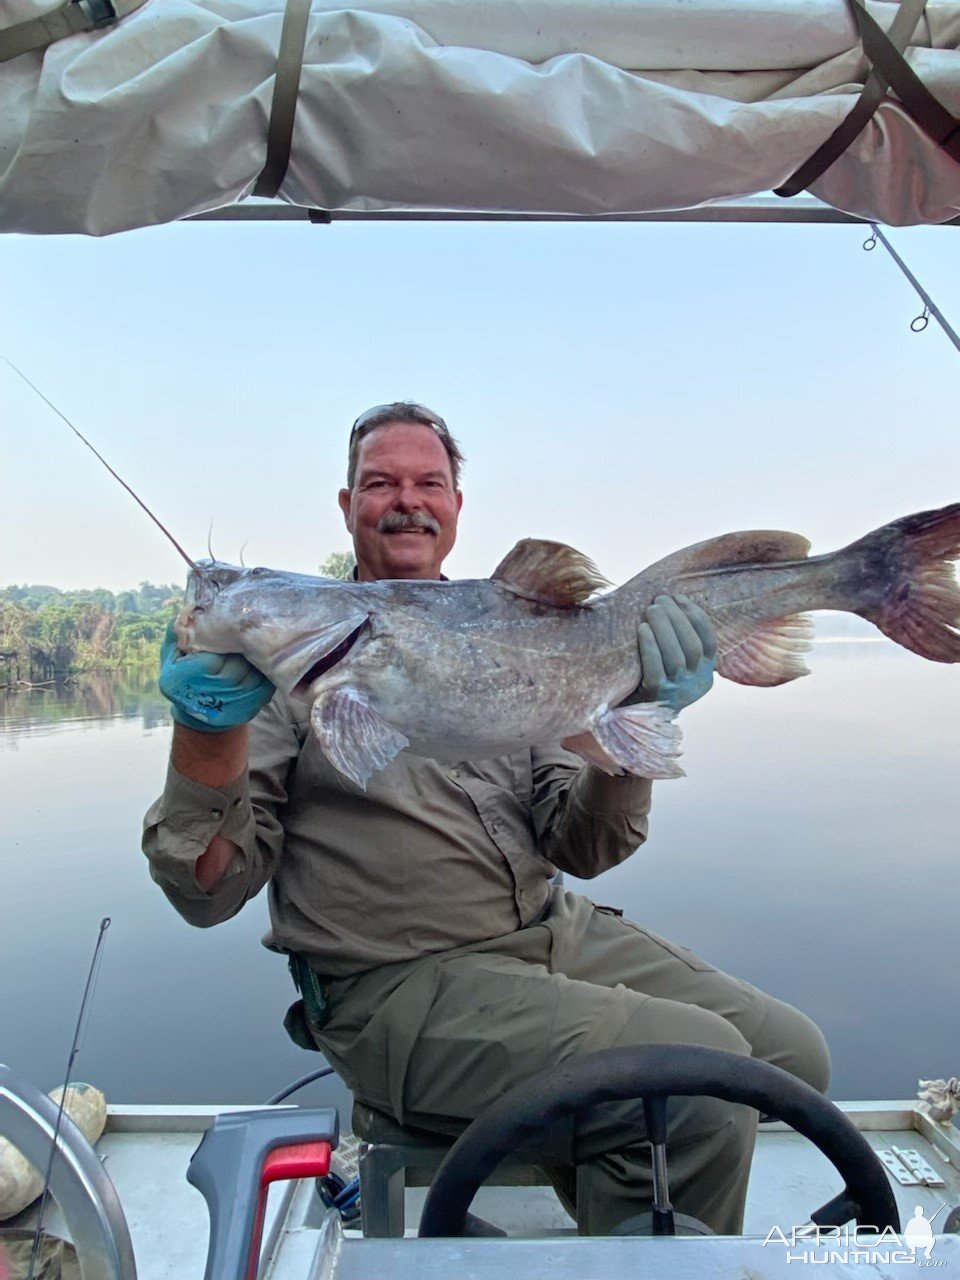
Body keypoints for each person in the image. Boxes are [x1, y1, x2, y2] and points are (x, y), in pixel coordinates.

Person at [143, 402, 829, 1235]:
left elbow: (583, 846)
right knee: (699, 1078)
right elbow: (206, 894)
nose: (407, 500)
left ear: (457, 506)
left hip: (549, 933)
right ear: (346, 505)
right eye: (380, 483)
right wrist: (206, 731)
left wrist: (633, 705)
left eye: (429, 482)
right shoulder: (279, 677)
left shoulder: (524, 631)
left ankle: (612, 1184)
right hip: (397, 987)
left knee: (795, 1059)